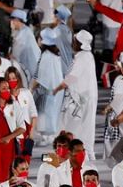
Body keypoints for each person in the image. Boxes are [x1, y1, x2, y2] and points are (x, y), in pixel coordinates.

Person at [53, 30, 98, 160]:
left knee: (83, 125)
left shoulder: (84, 57)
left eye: (75, 41)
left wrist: (56, 89)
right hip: (82, 98)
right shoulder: (83, 56)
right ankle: (83, 153)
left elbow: (72, 77)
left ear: (80, 43)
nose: (72, 43)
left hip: (83, 99)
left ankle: (86, 154)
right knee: (82, 125)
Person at [33, 29, 64, 145]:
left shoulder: (46, 56)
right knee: (50, 111)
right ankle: (47, 134)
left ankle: (47, 135)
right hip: (55, 89)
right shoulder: (54, 55)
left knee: (45, 111)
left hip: (48, 89)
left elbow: (42, 77)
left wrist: (33, 87)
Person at [9, 10, 40, 85]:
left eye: (13, 20)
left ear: (17, 20)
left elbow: (15, 54)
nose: (11, 22)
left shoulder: (23, 33)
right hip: (29, 65)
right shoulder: (24, 30)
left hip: (31, 65)